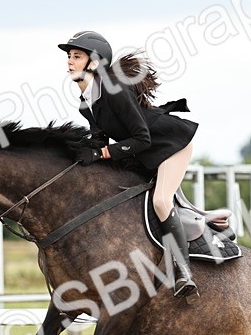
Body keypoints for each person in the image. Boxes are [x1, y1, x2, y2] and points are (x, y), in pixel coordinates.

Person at [58, 30, 200, 300]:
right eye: (69, 56)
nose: (69, 61)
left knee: (160, 201)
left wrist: (100, 154)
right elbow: (99, 138)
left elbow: (142, 139)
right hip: (140, 151)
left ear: (94, 62)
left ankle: (184, 271)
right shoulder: (86, 102)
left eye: (76, 56)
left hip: (169, 145)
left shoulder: (115, 91)